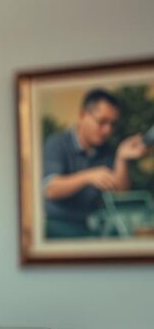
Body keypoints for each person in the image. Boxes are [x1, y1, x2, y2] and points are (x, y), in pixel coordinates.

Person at [42, 88, 148, 238]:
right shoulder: (56, 143)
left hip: (93, 228)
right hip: (57, 227)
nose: (107, 130)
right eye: (102, 121)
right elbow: (51, 189)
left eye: (112, 124)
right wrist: (89, 176)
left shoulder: (107, 150)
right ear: (82, 115)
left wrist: (121, 158)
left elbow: (120, 193)